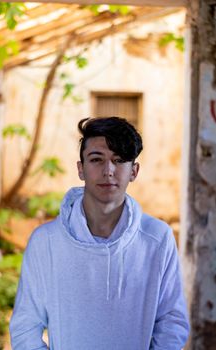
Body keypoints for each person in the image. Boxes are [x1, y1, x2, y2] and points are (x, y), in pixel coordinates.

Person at [10, 116, 190, 349]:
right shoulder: (46, 242)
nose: (108, 171)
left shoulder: (157, 238)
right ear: (80, 169)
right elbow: (25, 327)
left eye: (119, 160)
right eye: (97, 159)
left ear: (134, 171)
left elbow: (172, 320)